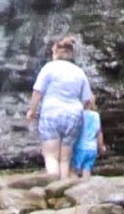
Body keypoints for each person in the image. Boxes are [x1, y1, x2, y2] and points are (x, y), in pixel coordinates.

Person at [25, 34, 92, 179]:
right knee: (65, 159)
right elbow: (87, 100)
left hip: (52, 113)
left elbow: (38, 91)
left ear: (55, 53)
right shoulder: (79, 72)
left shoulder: (49, 68)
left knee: (51, 156)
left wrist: (32, 110)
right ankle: (63, 188)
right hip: (74, 116)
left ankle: (52, 187)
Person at [71, 100, 105, 178]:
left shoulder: (78, 115)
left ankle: (75, 188)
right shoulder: (96, 115)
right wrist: (101, 147)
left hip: (79, 148)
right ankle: (86, 184)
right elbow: (99, 133)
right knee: (87, 170)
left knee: (74, 170)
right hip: (92, 149)